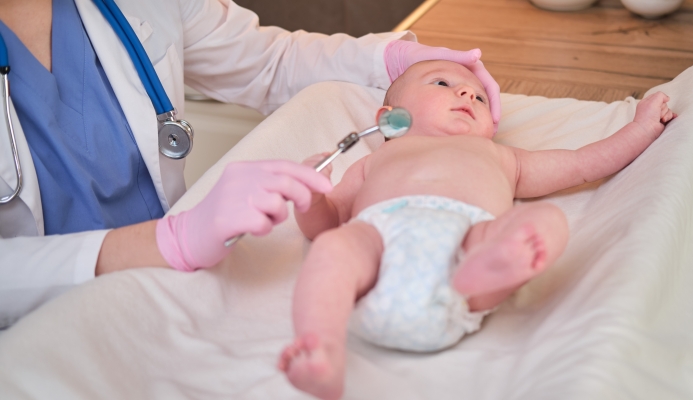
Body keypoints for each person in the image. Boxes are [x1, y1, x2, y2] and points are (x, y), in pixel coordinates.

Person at [0, 0, 503, 328]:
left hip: (173, 296)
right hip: (32, 332)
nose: (462, 95)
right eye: (443, 86)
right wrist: (163, 242)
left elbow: (269, 62)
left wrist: (393, 64)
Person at [277, 59, 677, 399]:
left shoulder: (502, 158)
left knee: (543, 223)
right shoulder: (376, 160)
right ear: (390, 119)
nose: (468, 94)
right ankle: (322, 347)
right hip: (379, 241)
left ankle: (490, 267)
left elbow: (583, 163)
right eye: (442, 83)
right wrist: (311, 199)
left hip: (469, 239)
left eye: (480, 97)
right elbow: (325, 225)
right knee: (336, 248)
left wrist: (640, 129)